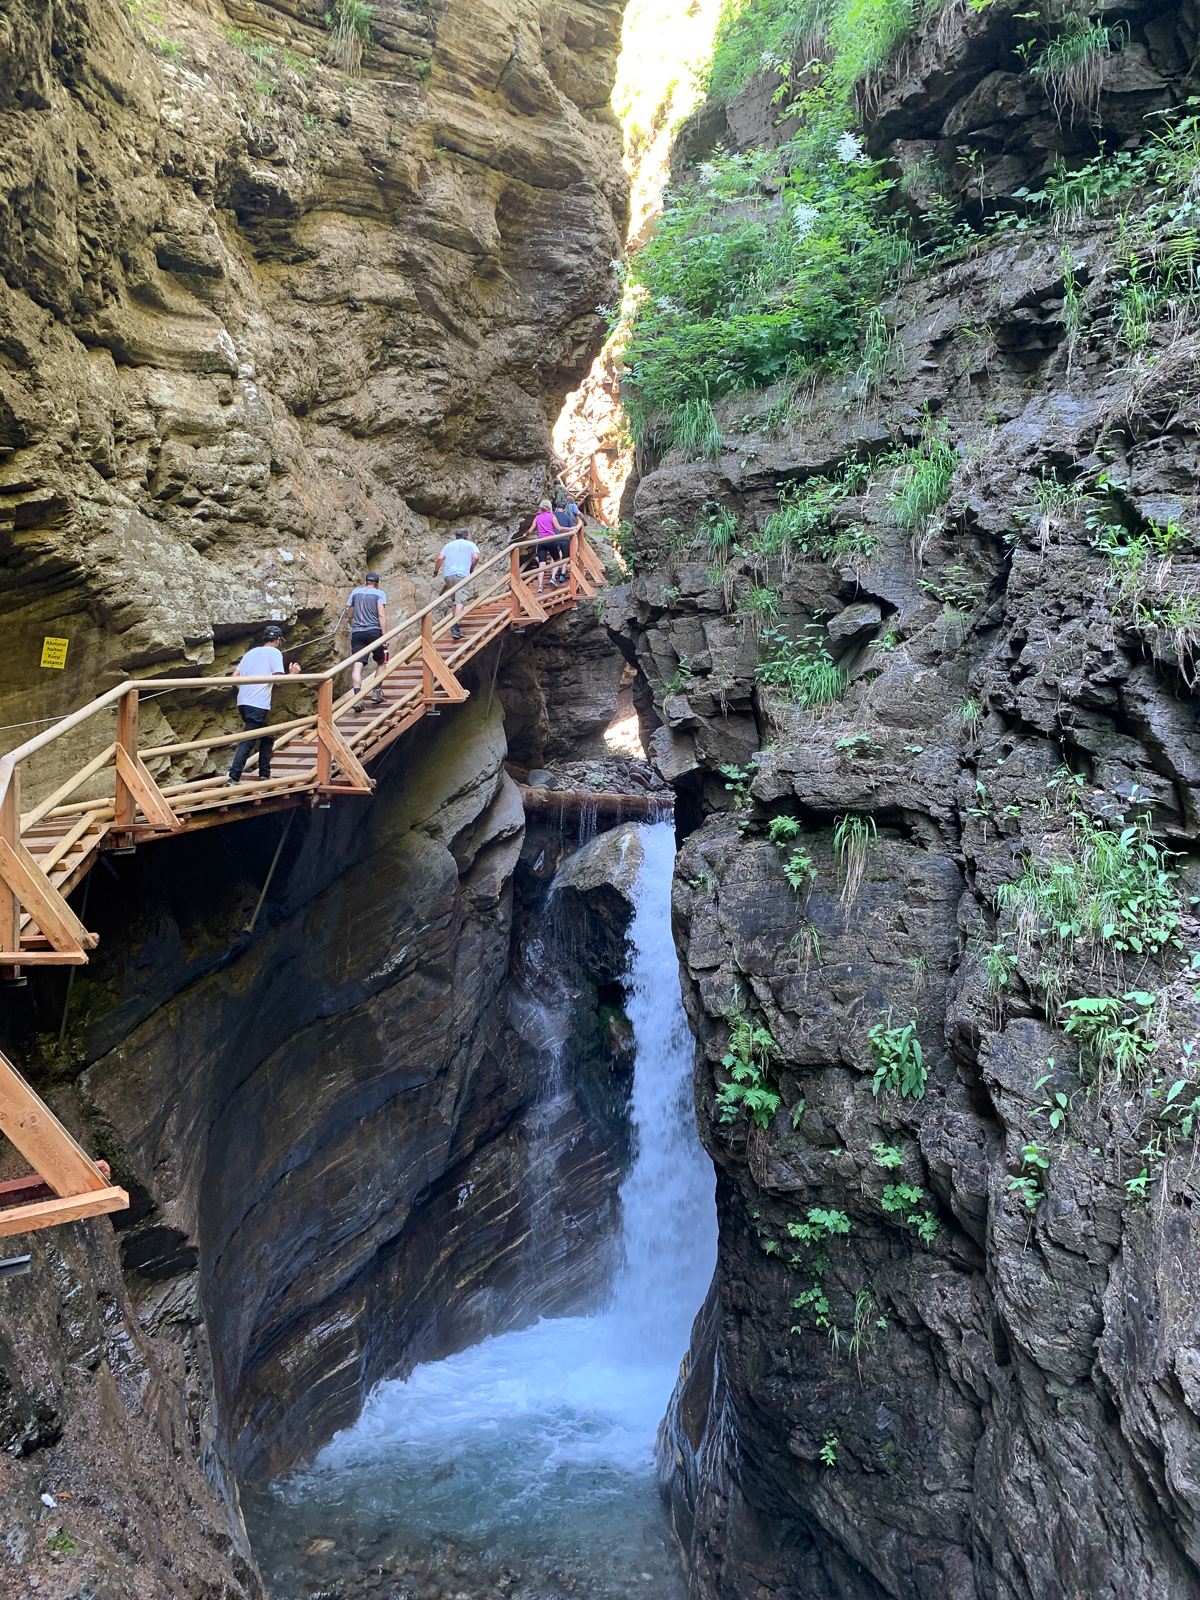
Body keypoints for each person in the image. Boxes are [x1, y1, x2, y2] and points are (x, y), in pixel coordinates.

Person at [227, 625, 301, 785]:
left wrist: (246, 692)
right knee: (248, 739)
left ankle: (265, 774)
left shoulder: (250, 653)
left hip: (243, 702)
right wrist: (292, 675)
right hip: (258, 703)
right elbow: (279, 681)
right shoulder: (275, 653)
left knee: (267, 737)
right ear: (278, 640)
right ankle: (233, 777)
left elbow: (235, 676)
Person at [345, 572, 388, 705]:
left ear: (365, 583)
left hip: (357, 632)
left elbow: (349, 615)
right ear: (377, 584)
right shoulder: (379, 594)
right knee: (382, 661)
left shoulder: (355, 592)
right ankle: (376, 691)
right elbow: (381, 615)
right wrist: (385, 635)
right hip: (374, 632)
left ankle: (358, 698)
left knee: (357, 665)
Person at [434, 531, 481, 640]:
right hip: (461, 575)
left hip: (448, 576)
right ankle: (455, 626)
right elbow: (476, 557)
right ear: (467, 537)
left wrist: (436, 571)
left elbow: (440, 558)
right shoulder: (471, 544)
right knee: (460, 600)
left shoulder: (448, 545)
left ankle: (454, 624)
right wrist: (471, 568)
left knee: (455, 599)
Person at [551, 488, 581, 587]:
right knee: (565, 557)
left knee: (554, 557)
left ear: (556, 508)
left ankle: (553, 576)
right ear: (564, 509)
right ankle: (562, 575)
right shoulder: (568, 518)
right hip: (565, 539)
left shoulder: (552, 516)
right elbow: (572, 529)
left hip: (553, 539)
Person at [533, 499, 560, 594]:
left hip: (541, 542)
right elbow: (559, 528)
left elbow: (531, 530)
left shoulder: (537, 517)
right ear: (549, 507)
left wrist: (525, 534)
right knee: (557, 560)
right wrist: (570, 529)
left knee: (542, 564)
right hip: (551, 540)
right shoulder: (552, 516)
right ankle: (553, 578)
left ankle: (540, 586)